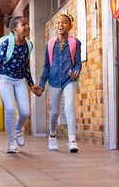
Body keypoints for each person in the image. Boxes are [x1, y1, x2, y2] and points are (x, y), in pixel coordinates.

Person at [0, 16, 41, 153]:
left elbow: (26, 66)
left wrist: (31, 85)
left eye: (27, 24)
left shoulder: (28, 45)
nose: (27, 26)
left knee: (25, 112)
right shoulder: (6, 44)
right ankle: (12, 142)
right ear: (15, 29)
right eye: (23, 24)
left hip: (20, 80)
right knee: (10, 110)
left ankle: (18, 129)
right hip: (5, 79)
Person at [37, 13, 82, 153]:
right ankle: (52, 136)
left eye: (64, 22)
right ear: (55, 26)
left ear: (70, 25)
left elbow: (78, 64)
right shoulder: (49, 44)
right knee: (54, 111)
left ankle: (72, 141)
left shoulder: (75, 42)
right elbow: (46, 65)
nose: (61, 25)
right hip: (54, 80)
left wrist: (75, 73)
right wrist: (42, 83)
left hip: (69, 80)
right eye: (58, 23)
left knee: (69, 107)